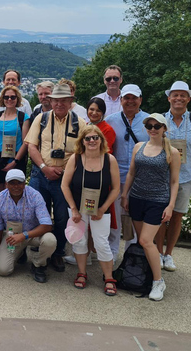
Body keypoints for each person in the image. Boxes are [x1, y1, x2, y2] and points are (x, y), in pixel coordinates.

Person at [24, 83, 86, 273]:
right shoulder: (41, 119)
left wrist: (66, 169)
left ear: (70, 102)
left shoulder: (80, 123)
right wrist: (44, 167)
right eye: (56, 100)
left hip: (64, 179)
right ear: (50, 101)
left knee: (61, 217)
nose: (59, 104)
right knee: (36, 215)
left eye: (64, 100)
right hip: (40, 174)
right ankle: (38, 250)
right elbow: (31, 147)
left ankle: (58, 252)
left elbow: (83, 151)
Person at [121, 113, 181, 301]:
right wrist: (125, 194)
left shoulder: (172, 152)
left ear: (164, 128)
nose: (153, 129)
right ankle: (145, 273)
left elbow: (174, 181)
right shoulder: (139, 147)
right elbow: (131, 172)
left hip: (157, 200)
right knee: (143, 241)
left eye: (157, 126)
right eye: (149, 126)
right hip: (137, 198)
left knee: (147, 241)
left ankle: (158, 281)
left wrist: (171, 206)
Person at [156, 81, 191, 272]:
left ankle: (168, 254)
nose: (178, 98)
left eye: (182, 95)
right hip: (161, 178)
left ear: (188, 98)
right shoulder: (160, 120)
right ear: (169, 97)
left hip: (185, 178)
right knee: (161, 217)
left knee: (177, 216)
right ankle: (157, 253)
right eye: (175, 95)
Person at [60, 126, 121, 295]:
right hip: (77, 208)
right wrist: (73, 209)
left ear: (101, 140)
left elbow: (116, 188)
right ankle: (82, 273)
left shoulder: (110, 160)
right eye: (88, 138)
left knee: (101, 242)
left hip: (100, 209)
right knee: (79, 240)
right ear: (82, 141)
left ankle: (109, 277)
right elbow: (64, 185)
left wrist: (102, 209)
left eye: (95, 138)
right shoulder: (76, 158)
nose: (92, 141)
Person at [0, 169, 57, 283]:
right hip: (13, 237)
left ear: (24, 183)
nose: (16, 186)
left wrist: (24, 235)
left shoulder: (34, 195)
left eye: (19, 183)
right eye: (12, 183)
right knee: (3, 270)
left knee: (50, 240)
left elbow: (47, 225)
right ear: (6, 184)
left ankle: (38, 265)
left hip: (34, 235)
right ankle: (20, 253)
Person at [105, 84, 149, 260]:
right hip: (116, 176)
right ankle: (113, 250)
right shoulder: (111, 120)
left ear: (140, 100)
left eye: (134, 98)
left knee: (134, 216)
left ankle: (131, 252)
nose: (130, 101)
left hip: (139, 178)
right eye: (126, 98)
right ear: (121, 100)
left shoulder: (149, 121)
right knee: (115, 215)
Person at [0, 86, 31, 203]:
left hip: (15, 159)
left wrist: (14, 162)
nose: (9, 99)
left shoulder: (23, 117)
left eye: (13, 97)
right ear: (2, 99)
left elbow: (25, 142)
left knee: (14, 194)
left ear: (17, 99)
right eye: (6, 97)